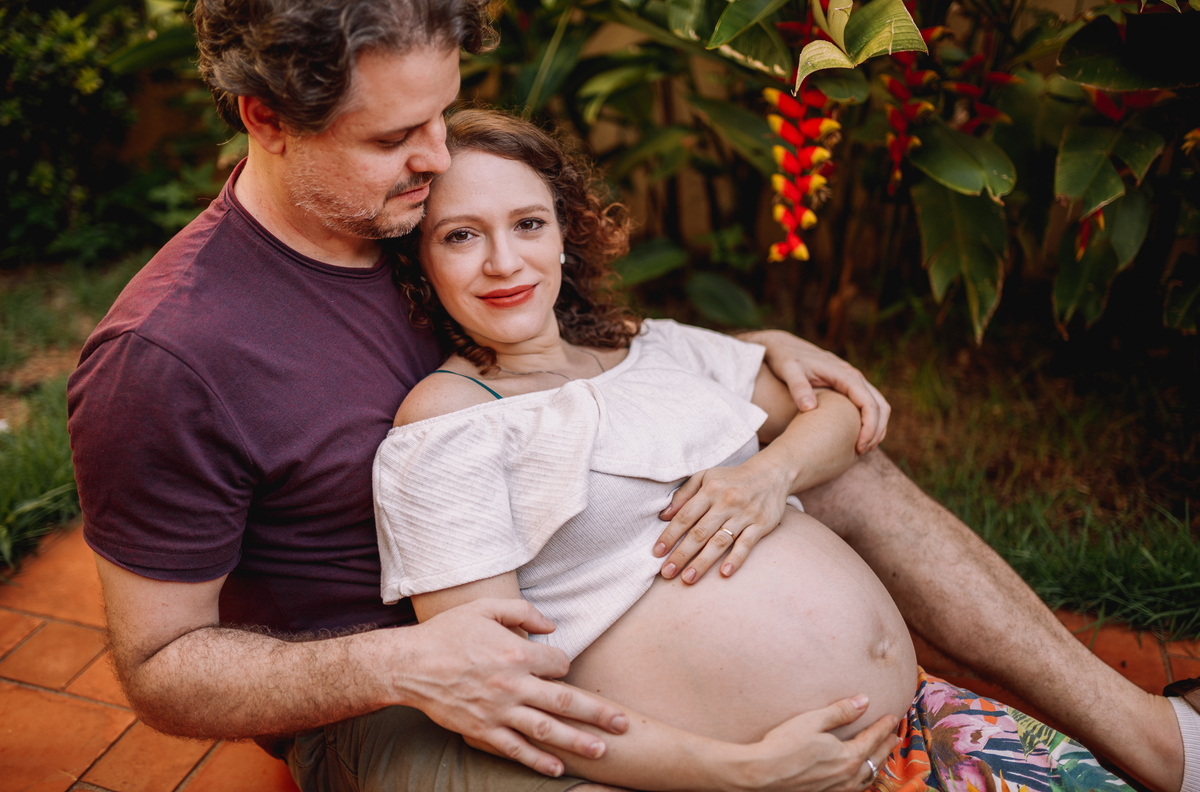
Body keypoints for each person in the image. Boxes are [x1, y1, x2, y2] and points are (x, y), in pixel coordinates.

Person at [63, 0, 1197, 790]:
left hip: (570, 584)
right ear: (264, 117)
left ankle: (1151, 739)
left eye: (444, 115)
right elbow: (161, 667)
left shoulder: (425, 222)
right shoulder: (169, 359)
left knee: (837, 462)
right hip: (388, 694)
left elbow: (571, 340)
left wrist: (728, 353)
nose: (434, 154)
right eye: (396, 135)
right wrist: (400, 661)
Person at [371, 107, 1175, 791]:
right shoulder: (447, 425)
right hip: (750, 778)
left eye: (529, 224)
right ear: (419, 260)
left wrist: (769, 473)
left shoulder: (643, 348)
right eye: (461, 236)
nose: (505, 262)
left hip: (925, 728)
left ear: (565, 234)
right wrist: (741, 768)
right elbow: (496, 699)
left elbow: (836, 412)